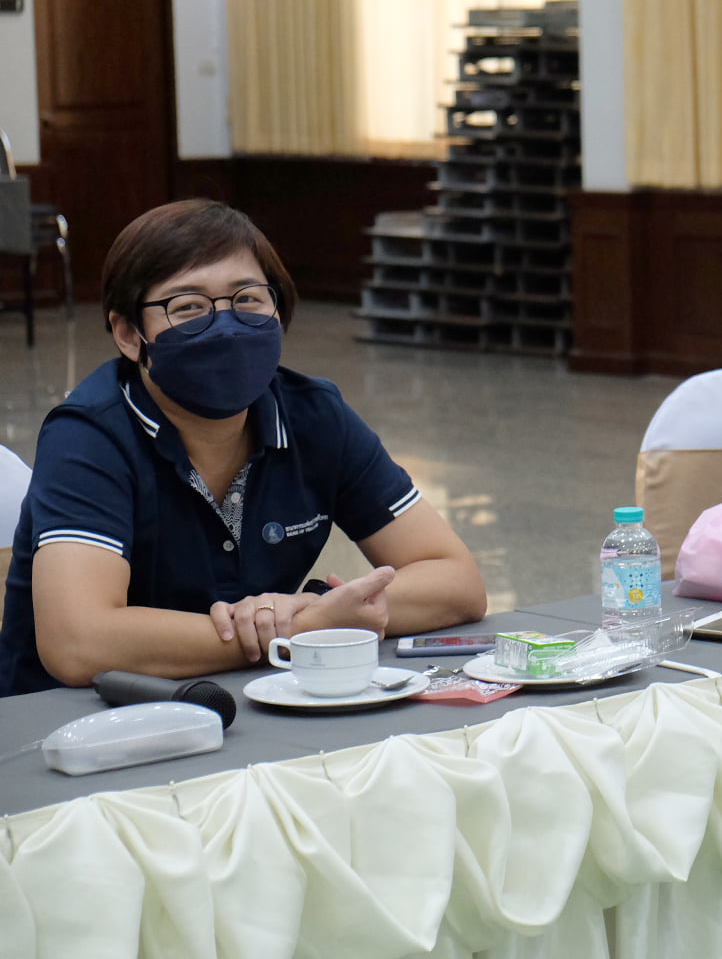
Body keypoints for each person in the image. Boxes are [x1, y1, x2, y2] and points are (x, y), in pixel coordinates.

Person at [0, 200, 487, 695]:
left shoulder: (314, 416)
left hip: (248, 705)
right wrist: (296, 633)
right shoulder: (89, 435)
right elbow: (77, 643)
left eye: (248, 299)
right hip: (80, 730)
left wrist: (313, 612)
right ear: (129, 335)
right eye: (187, 306)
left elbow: (457, 581)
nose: (225, 324)